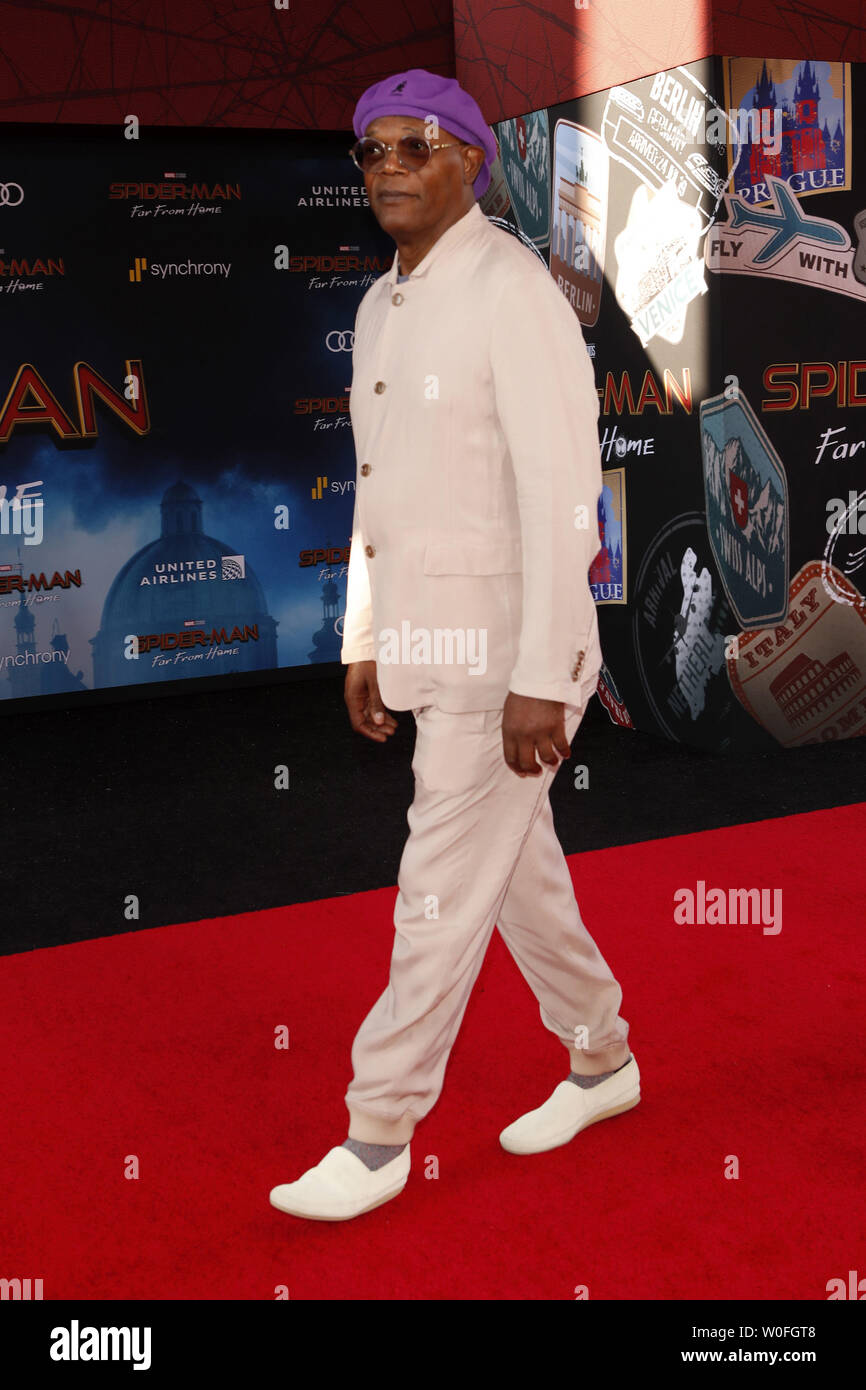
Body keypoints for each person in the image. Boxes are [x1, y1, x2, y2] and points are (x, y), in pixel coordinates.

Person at [269, 68, 638, 1223]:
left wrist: (543, 673)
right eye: (369, 148)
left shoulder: (510, 289)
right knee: (515, 877)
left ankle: (376, 1130)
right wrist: (366, 638)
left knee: (435, 879)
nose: (386, 164)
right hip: (429, 638)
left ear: (469, 161)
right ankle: (602, 1060)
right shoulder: (382, 305)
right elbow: (379, 496)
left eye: (412, 144)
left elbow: (564, 494)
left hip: (505, 660)